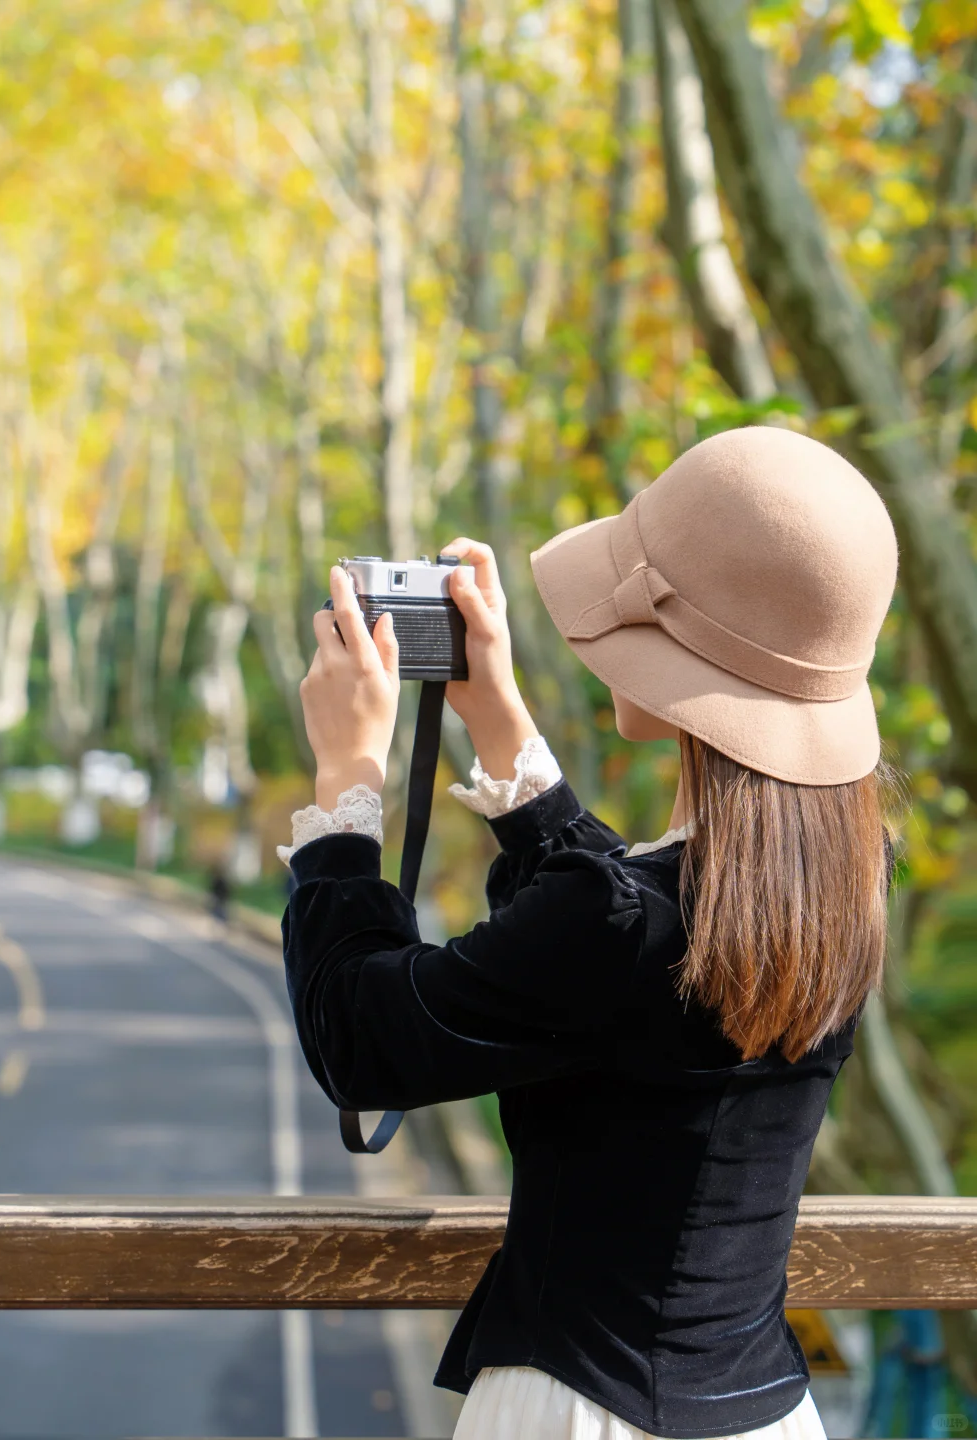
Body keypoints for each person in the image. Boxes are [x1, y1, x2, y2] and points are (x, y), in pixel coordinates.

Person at [277, 426, 899, 1440]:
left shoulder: (625, 928)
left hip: (578, 1415)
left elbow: (361, 1036)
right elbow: (638, 945)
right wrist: (503, 728)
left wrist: (348, 786)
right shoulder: (842, 882)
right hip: (767, 1415)